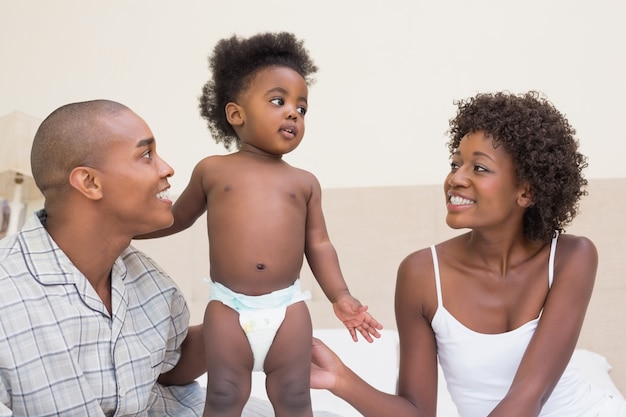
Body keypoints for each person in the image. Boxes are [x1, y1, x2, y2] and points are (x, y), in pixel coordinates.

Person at [310, 91, 626, 416]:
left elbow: (528, 397)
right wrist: (340, 379)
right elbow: (416, 411)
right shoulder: (421, 274)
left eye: (479, 168)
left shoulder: (571, 256)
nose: (455, 179)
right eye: (455, 163)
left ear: (526, 191)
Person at [136, 32, 382, 417]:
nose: (293, 113)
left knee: (294, 397)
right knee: (224, 395)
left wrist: (341, 296)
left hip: (288, 309)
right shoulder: (213, 170)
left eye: (302, 108)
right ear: (236, 114)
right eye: (279, 101)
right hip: (228, 308)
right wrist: (126, 229)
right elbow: (177, 217)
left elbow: (318, 244)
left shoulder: (304, 182)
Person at [0, 99, 280, 417]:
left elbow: (166, 368)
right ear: (90, 183)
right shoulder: (8, 295)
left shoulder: (149, 280)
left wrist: (238, 322)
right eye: (146, 155)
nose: (167, 168)